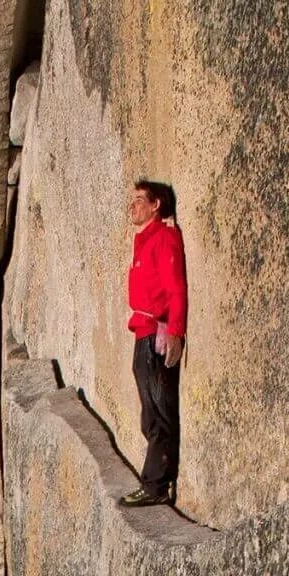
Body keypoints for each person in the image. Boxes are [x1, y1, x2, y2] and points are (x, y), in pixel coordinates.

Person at [120, 179, 186, 508]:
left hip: (156, 336)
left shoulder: (164, 238)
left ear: (156, 204)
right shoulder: (143, 241)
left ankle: (156, 485)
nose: (132, 206)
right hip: (141, 333)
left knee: (159, 411)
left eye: (139, 200)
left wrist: (175, 331)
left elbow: (176, 288)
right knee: (149, 412)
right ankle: (155, 480)